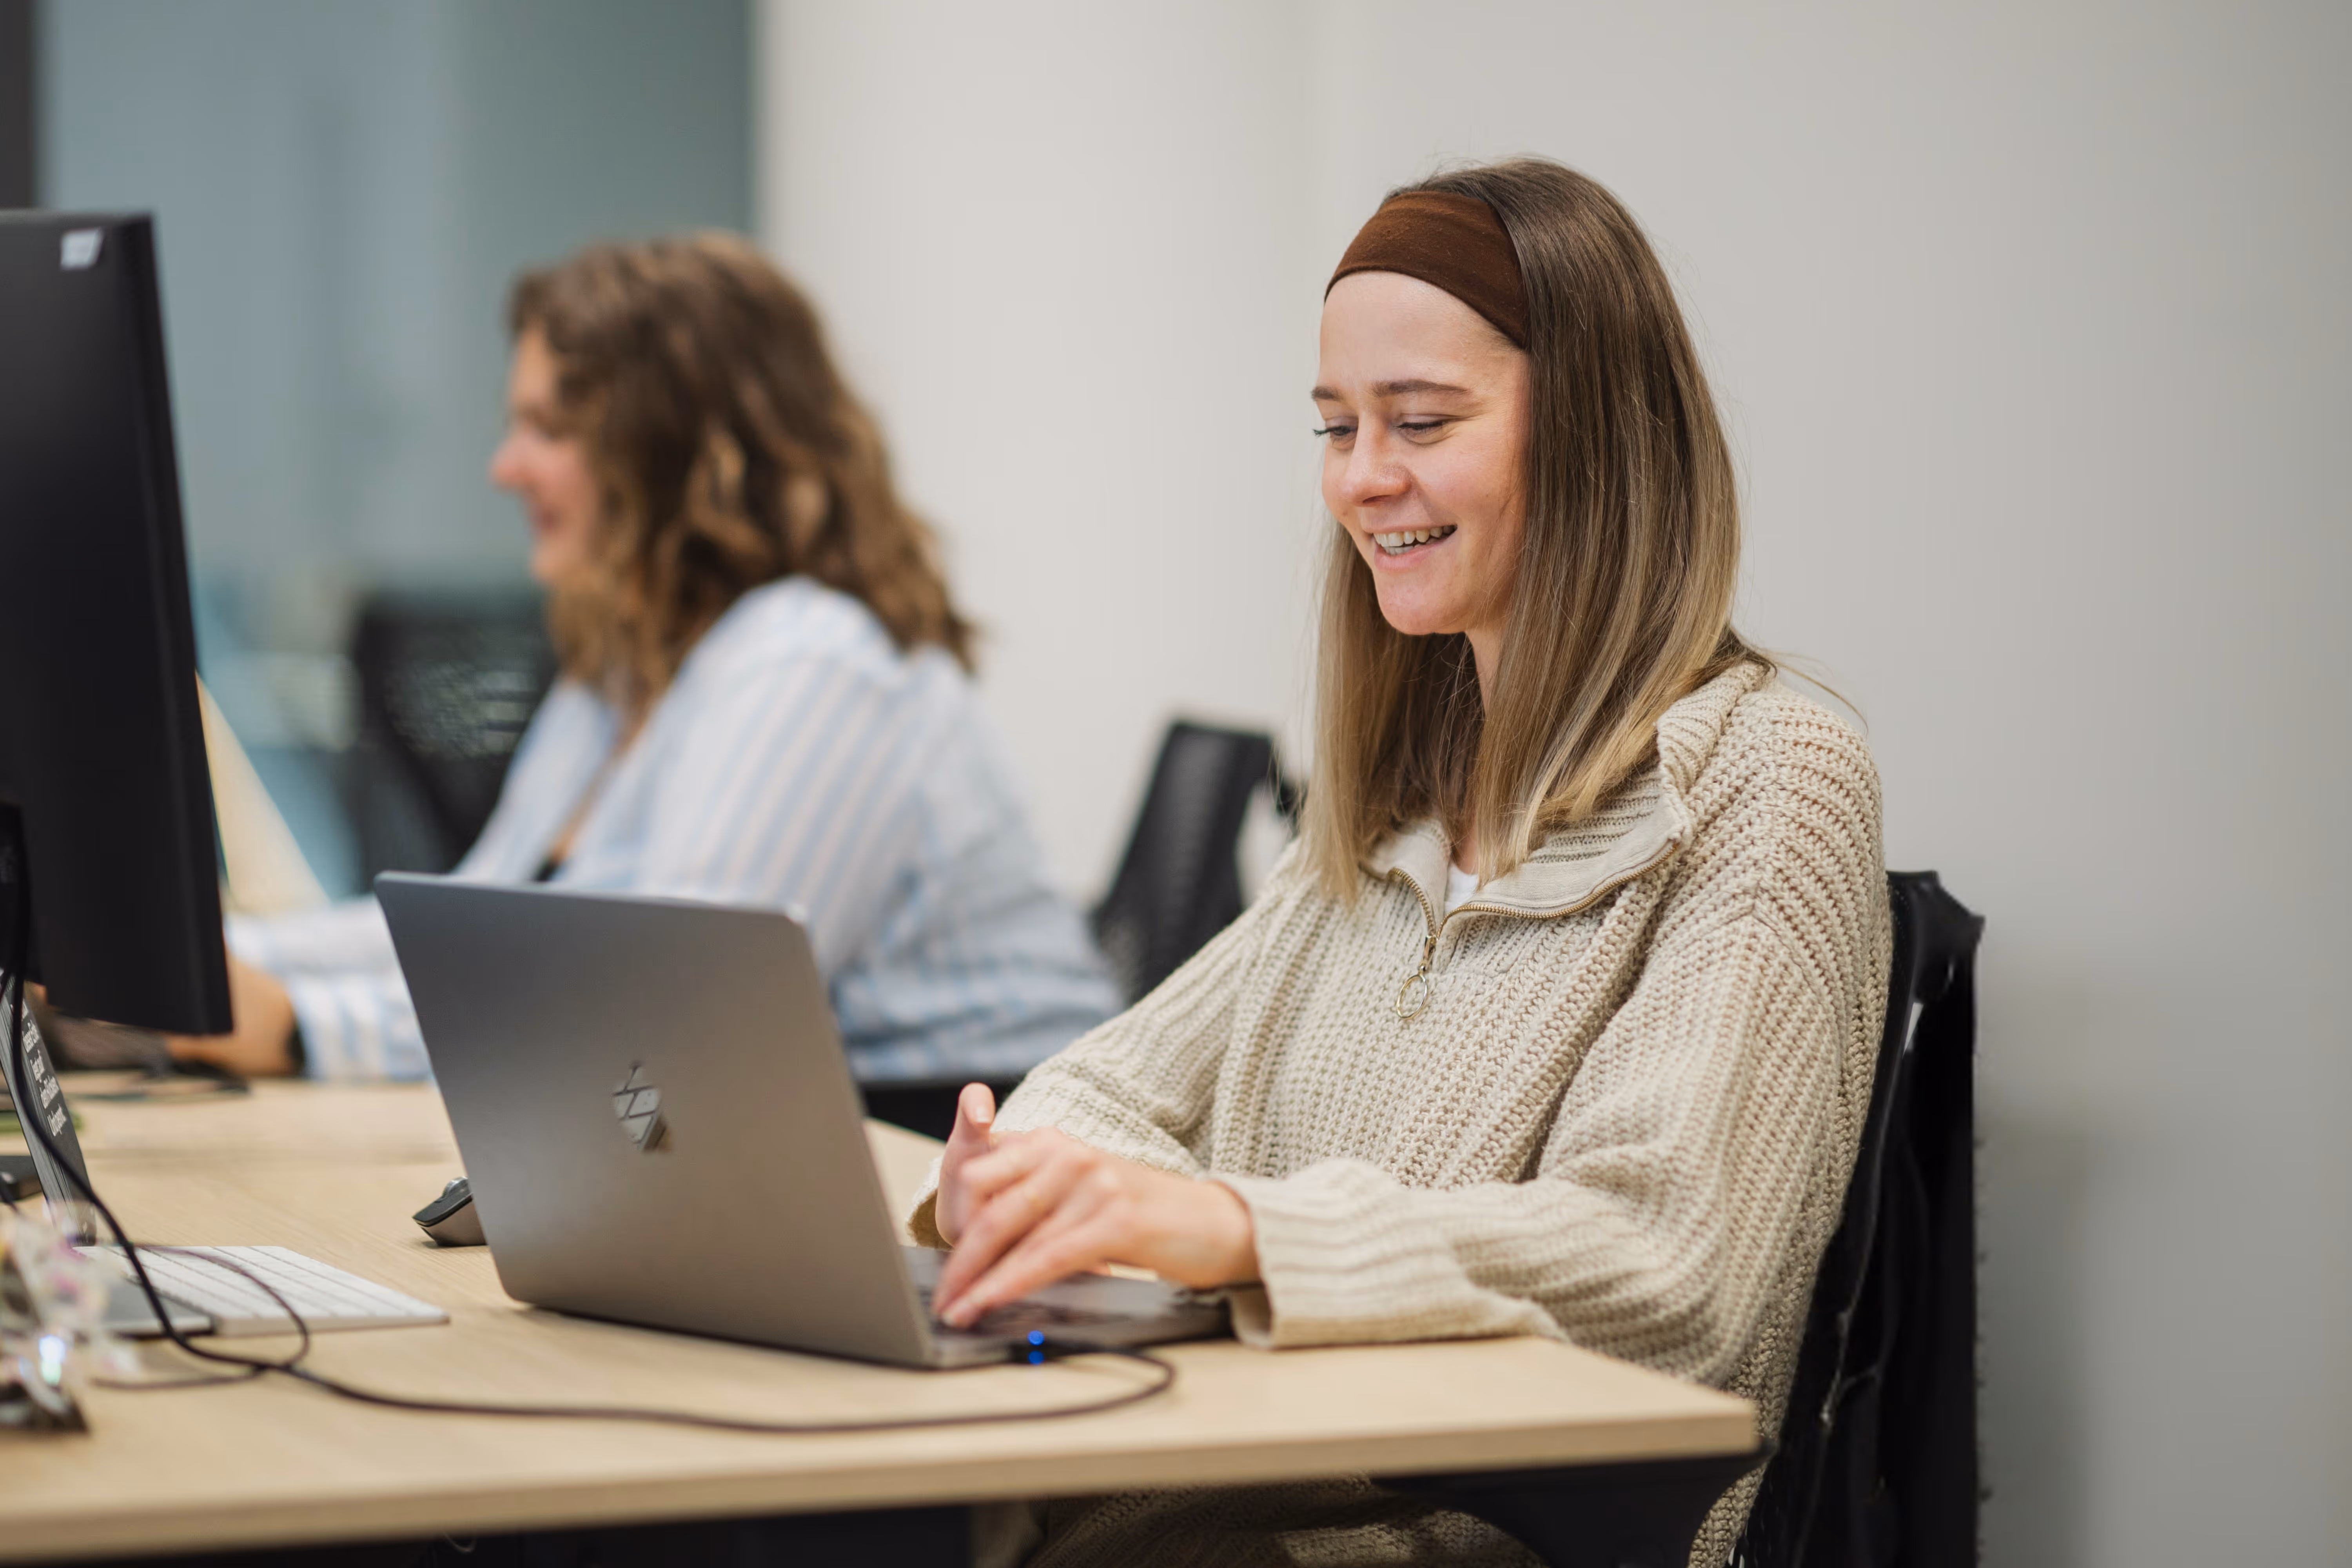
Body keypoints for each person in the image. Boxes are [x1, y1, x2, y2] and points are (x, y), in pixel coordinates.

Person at [918, 161, 1891, 1566]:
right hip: (1220, 1497)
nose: (1362, 479)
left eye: (1421, 421)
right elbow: (1106, 1091)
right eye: (1335, 426)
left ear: (1600, 435)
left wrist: (1231, 1228)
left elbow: (1664, 1266)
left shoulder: (1770, 776)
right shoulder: (1402, 805)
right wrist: (1024, 1180)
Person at [174, 234, 1119, 1091]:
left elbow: (668, 1016)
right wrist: (196, 957)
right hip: (762, 1126)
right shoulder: (626, 667)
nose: (507, 467)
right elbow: (465, 928)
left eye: (549, 430)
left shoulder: (812, 659)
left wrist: (305, 1027)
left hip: (950, 1146)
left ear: (678, 454)